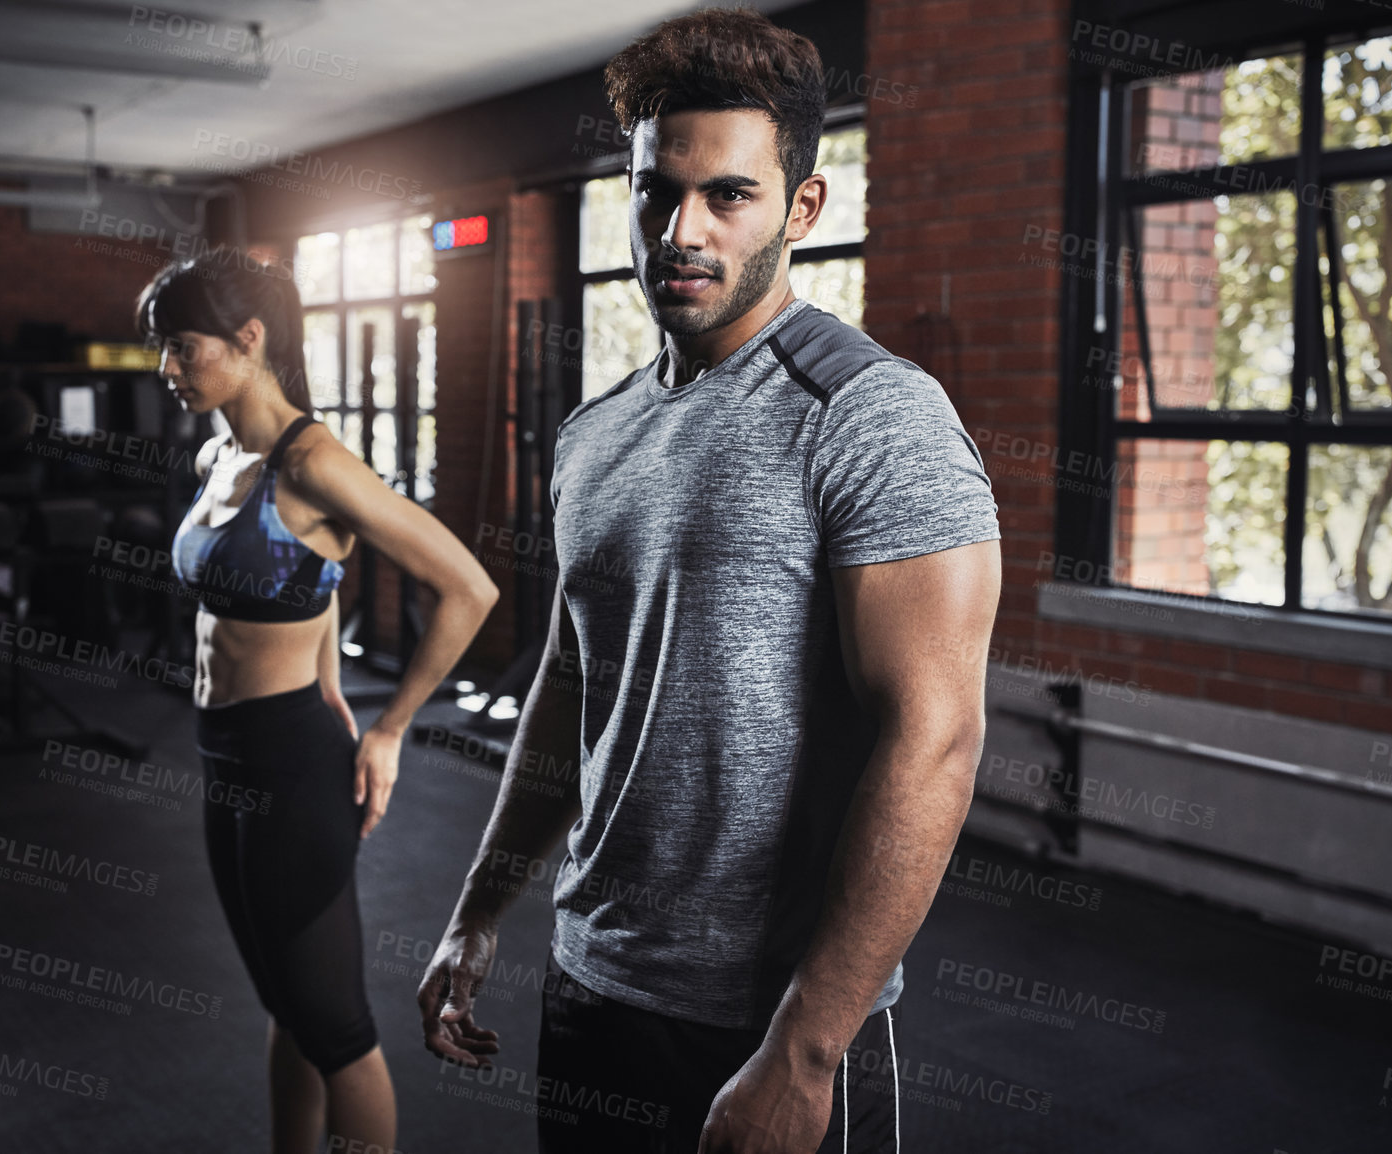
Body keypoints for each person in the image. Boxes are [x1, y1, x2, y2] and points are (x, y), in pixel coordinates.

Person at [416, 9, 1001, 1154]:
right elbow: (573, 682)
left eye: (728, 196)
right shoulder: (594, 433)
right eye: (653, 192)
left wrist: (806, 1047)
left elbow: (933, 739)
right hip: (593, 979)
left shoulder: (872, 417)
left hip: (763, 1018)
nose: (680, 230)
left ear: (802, 207)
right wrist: (481, 908)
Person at [136, 248, 498, 1154]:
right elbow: (315, 575)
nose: (166, 369)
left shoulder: (316, 462)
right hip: (225, 757)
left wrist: (389, 729)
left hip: (293, 764)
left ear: (248, 339)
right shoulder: (223, 453)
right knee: (283, 1003)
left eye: (182, 347)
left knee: (334, 1027)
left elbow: (470, 588)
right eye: (161, 348)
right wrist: (337, 679)